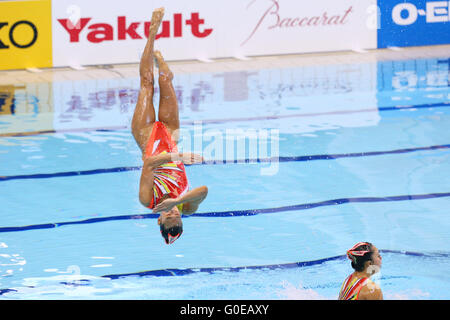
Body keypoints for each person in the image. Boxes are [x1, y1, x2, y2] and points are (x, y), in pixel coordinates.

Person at [131, 7, 208, 245]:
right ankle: (162, 61)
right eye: (177, 219)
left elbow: (150, 163)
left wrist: (180, 155)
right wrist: (176, 202)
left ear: (158, 220)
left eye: (168, 218)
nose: (174, 214)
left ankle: (152, 31)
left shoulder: (147, 200)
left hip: (147, 136)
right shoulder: (186, 205)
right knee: (164, 79)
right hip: (171, 132)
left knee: (147, 83)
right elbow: (204, 190)